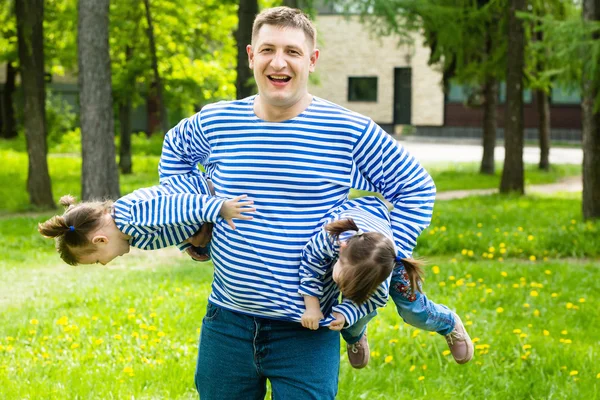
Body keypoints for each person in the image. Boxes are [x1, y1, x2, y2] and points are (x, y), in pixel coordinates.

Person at [158, 6, 436, 399]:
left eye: (292, 51)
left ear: (312, 60)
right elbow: (175, 151)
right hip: (228, 321)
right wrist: (193, 221)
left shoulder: (348, 130)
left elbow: (415, 188)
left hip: (309, 327)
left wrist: (380, 259)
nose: (279, 62)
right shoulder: (215, 122)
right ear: (252, 56)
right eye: (268, 49)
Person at [299, 196, 474, 369]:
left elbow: (372, 301)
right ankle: (355, 336)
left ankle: (449, 323)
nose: (339, 282)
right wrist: (312, 306)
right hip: (364, 244)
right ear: (343, 250)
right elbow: (310, 264)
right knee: (351, 322)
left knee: (415, 312)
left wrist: (346, 314)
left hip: (389, 261)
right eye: (343, 275)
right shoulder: (330, 238)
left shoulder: (379, 284)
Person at [37, 174, 255, 265]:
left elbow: (178, 205)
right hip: (205, 209)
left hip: (211, 193)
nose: (103, 264)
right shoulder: (132, 234)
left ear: (100, 240)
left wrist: (219, 207)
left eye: (96, 261)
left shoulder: (132, 217)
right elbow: (169, 223)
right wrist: (187, 242)